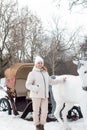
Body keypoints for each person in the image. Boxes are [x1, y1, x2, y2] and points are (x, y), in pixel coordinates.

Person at [25, 56, 66, 130]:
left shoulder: (45, 73)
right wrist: (36, 88)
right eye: (38, 63)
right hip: (36, 96)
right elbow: (27, 85)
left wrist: (61, 80)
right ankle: (37, 126)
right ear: (36, 64)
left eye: (41, 63)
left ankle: (42, 125)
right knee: (36, 111)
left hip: (45, 96)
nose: (40, 64)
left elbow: (51, 82)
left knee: (45, 112)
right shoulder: (32, 73)